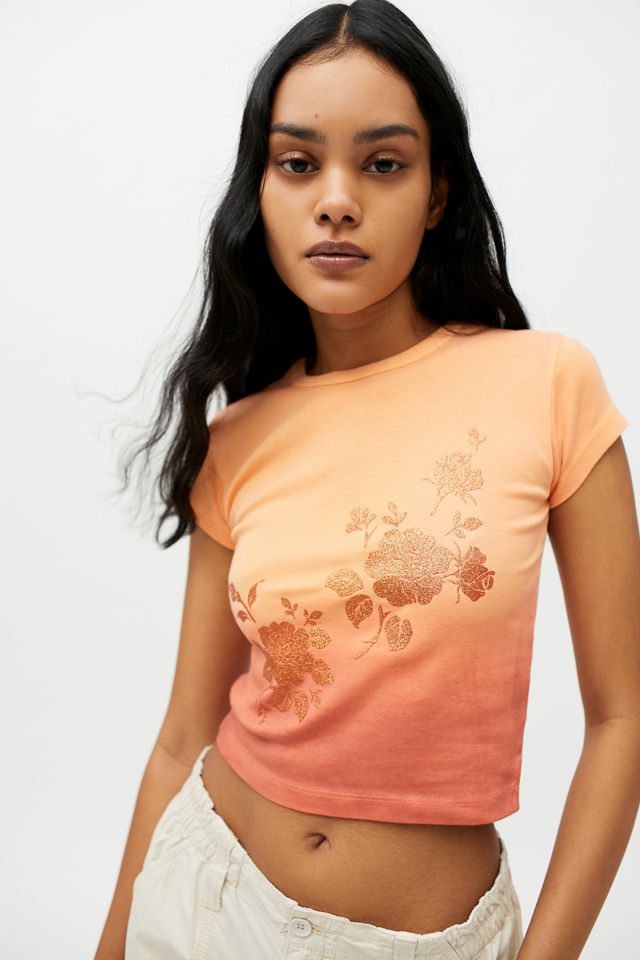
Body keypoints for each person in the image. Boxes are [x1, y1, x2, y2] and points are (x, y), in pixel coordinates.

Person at [94, 2, 639, 959]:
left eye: (383, 163)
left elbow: (624, 717)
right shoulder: (240, 436)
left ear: (435, 193)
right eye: (298, 163)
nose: (337, 201)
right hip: (205, 901)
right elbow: (182, 736)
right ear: (260, 191)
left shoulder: (549, 384)